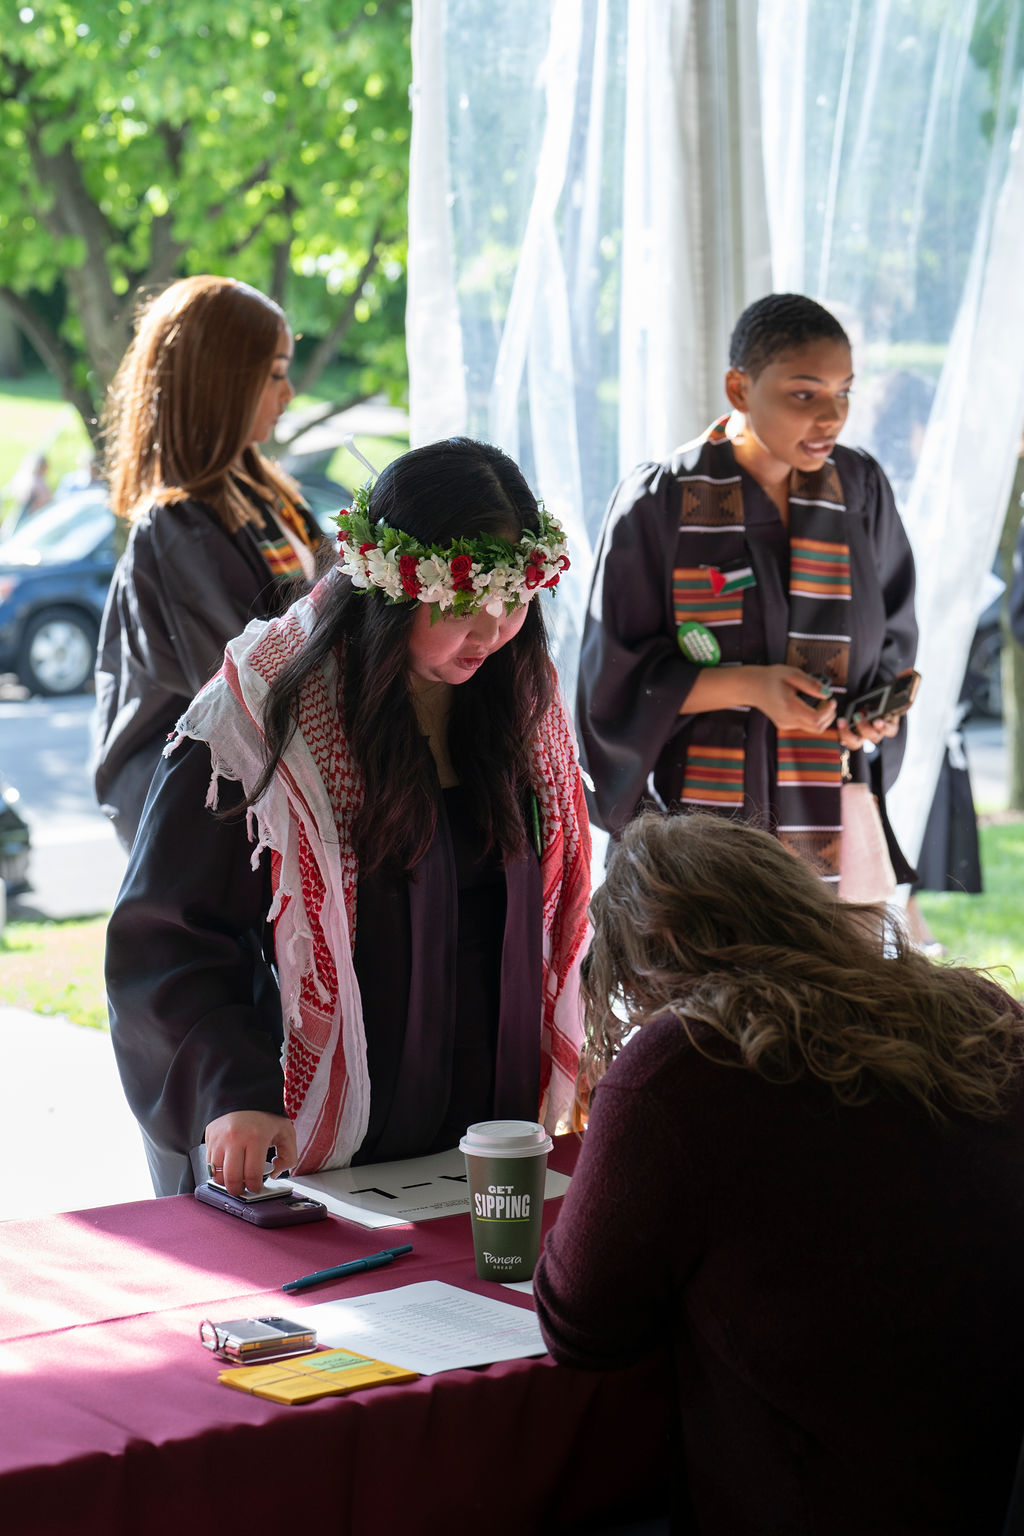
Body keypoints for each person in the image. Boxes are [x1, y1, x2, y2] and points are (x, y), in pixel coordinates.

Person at [105, 437, 591, 1197]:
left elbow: (557, 904)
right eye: (464, 598)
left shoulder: (523, 701)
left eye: (516, 596)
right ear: (392, 585)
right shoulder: (261, 720)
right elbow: (168, 938)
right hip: (316, 1143)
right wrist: (232, 1088)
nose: (493, 629)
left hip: (490, 1131)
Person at [534, 812, 1024, 1536]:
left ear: (653, 956)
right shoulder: (979, 1011)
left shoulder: (686, 1063)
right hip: (981, 1485)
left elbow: (580, 1325)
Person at [578, 293, 918, 894]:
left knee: (830, 982)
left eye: (844, 392)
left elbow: (892, 631)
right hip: (702, 831)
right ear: (739, 388)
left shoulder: (859, 488)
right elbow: (615, 681)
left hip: (833, 816)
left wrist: (872, 712)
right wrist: (748, 686)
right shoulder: (662, 501)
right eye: (804, 393)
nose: (831, 417)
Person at [92, 274, 328, 851]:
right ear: (219, 383)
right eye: (273, 374)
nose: (289, 393)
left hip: (261, 798)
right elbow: (239, 681)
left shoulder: (271, 497)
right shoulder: (177, 529)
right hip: (206, 821)